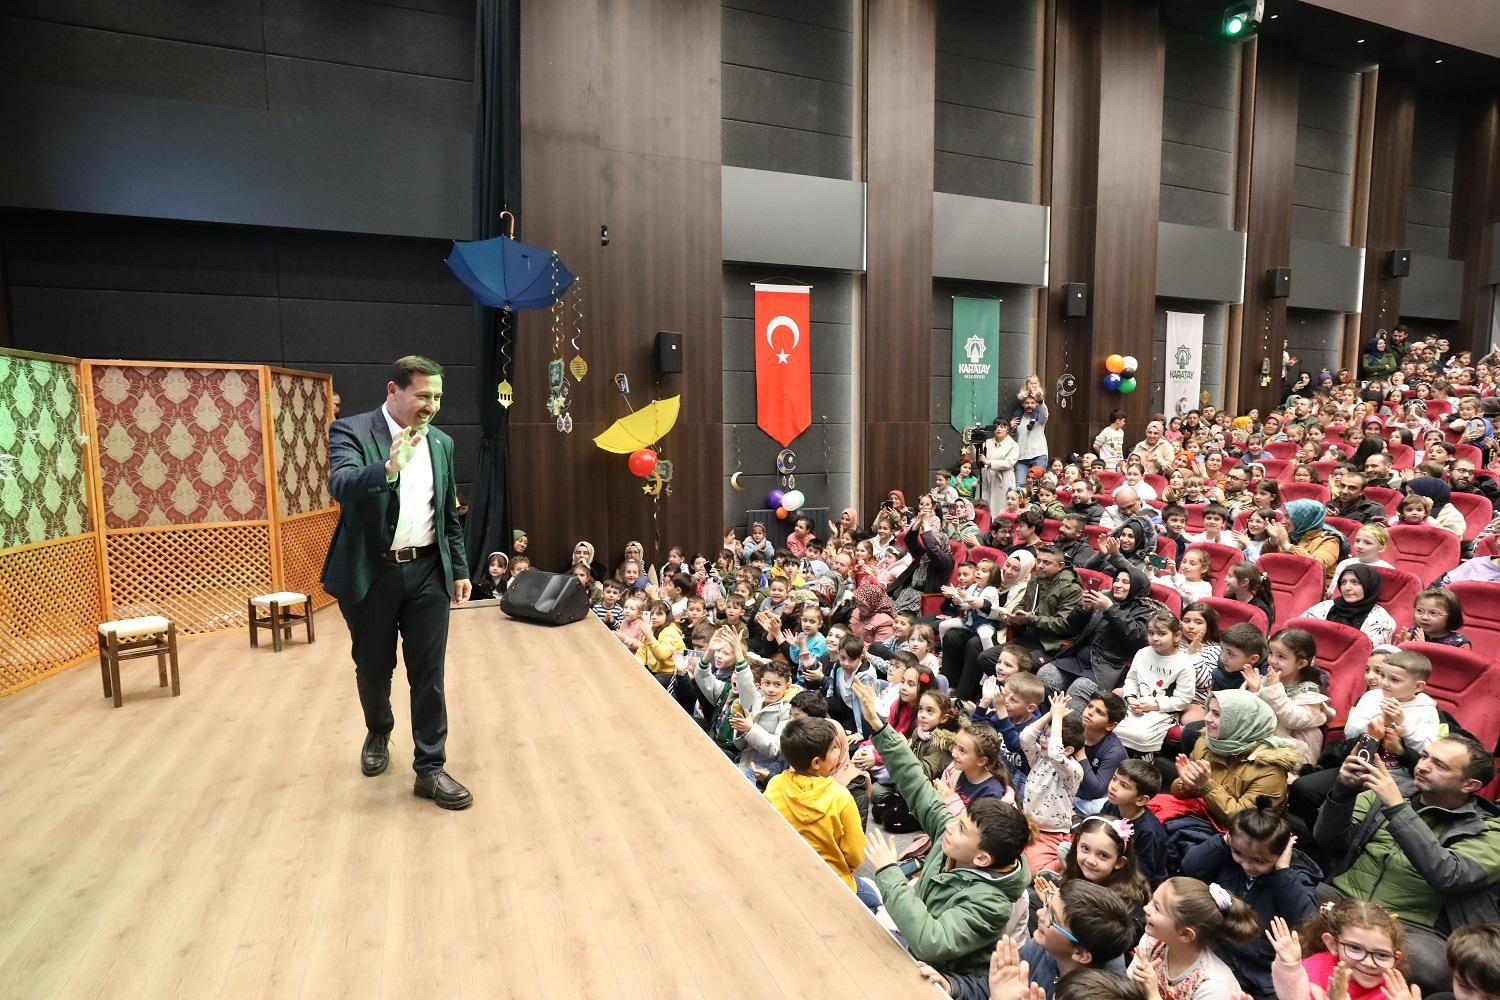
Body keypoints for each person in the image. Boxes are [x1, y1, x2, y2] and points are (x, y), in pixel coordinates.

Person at [323, 355, 473, 809]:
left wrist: (460, 569)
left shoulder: (442, 443)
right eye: (423, 395)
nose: (432, 405)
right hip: (371, 573)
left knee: (429, 673)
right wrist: (388, 468)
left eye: (438, 397)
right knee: (374, 667)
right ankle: (378, 729)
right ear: (394, 390)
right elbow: (341, 484)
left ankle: (430, 768)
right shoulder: (351, 430)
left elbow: (447, 514)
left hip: (428, 571)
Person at [853, 679, 1033, 978]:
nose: (950, 828)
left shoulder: (992, 905)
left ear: (982, 859)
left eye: (962, 830)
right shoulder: (956, 836)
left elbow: (931, 943)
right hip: (910, 929)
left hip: (933, 973)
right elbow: (917, 784)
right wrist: (879, 726)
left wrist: (888, 871)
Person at [1312, 733, 1500, 995]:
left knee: (1434, 968)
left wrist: (1397, 808)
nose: (1423, 766)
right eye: (1424, 756)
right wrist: (1343, 790)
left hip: (1411, 925)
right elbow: (1328, 840)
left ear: (1469, 784)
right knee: (1285, 901)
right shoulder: (1386, 790)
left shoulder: (1489, 829)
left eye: (1440, 765)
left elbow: (1449, 874)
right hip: (1344, 899)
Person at [1181, 808, 1317, 1000]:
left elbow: (1306, 919)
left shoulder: (1293, 878)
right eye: (1238, 853)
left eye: (1260, 861)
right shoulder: (1226, 857)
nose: (1246, 865)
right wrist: (1224, 842)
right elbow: (1190, 867)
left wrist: (1283, 873)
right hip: (1215, 950)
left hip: (1259, 970)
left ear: (1281, 854)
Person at [763, 716, 872, 905]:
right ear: (816, 763)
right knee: (874, 900)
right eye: (833, 749)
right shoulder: (841, 796)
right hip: (832, 882)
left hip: (786, 874)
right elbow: (855, 855)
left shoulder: (775, 785)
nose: (839, 751)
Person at [1127, 877, 1259, 1000]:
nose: (1145, 908)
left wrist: (1153, 995)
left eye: (1157, 908)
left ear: (1186, 934)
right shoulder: (1152, 942)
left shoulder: (1213, 986)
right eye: (1152, 900)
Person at [1265, 900, 1411, 1000]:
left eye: (1382, 955)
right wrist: (1290, 966)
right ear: (1333, 944)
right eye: (1355, 948)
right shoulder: (1317, 966)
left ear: (1396, 959)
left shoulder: (1393, 993)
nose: (1369, 962)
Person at [1301, 564, 1398, 646]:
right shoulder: (1324, 607)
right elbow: (1299, 632)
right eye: (1343, 582)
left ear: (1369, 585)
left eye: (1355, 582)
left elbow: (1368, 654)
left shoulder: (1381, 620)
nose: (1347, 588)